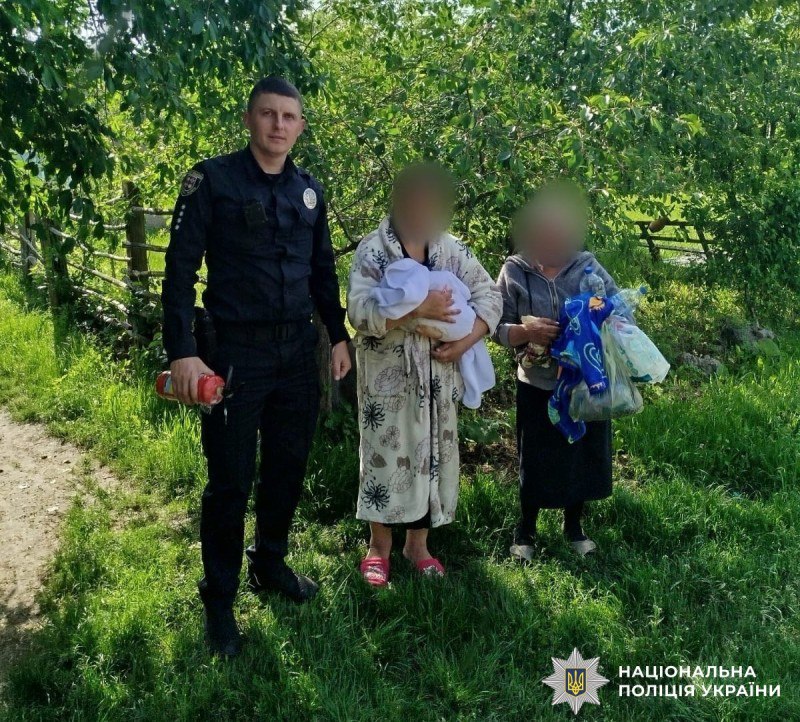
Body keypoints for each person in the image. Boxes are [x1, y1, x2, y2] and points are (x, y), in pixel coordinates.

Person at [161, 76, 351, 657]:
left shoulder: (309, 191)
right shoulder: (213, 181)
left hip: (297, 353)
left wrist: (338, 336)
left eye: (289, 116)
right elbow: (179, 269)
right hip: (235, 355)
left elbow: (323, 271)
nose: (278, 125)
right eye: (268, 114)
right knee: (230, 481)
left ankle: (269, 563)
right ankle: (219, 599)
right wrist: (182, 351)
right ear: (249, 119)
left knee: (287, 466)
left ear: (300, 126)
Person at [347, 163, 503, 586]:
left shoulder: (452, 249)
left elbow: (491, 295)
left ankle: (418, 545)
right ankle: (379, 546)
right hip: (388, 379)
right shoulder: (373, 251)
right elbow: (358, 312)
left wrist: (467, 340)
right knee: (383, 459)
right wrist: (416, 310)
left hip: (439, 377)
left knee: (432, 456)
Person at [493, 181, 618, 561]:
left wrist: (592, 320)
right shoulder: (514, 271)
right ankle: (526, 530)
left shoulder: (588, 268)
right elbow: (494, 326)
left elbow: (618, 310)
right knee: (535, 458)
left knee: (580, 453)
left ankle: (574, 527)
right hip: (536, 382)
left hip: (583, 382)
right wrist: (526, 332)